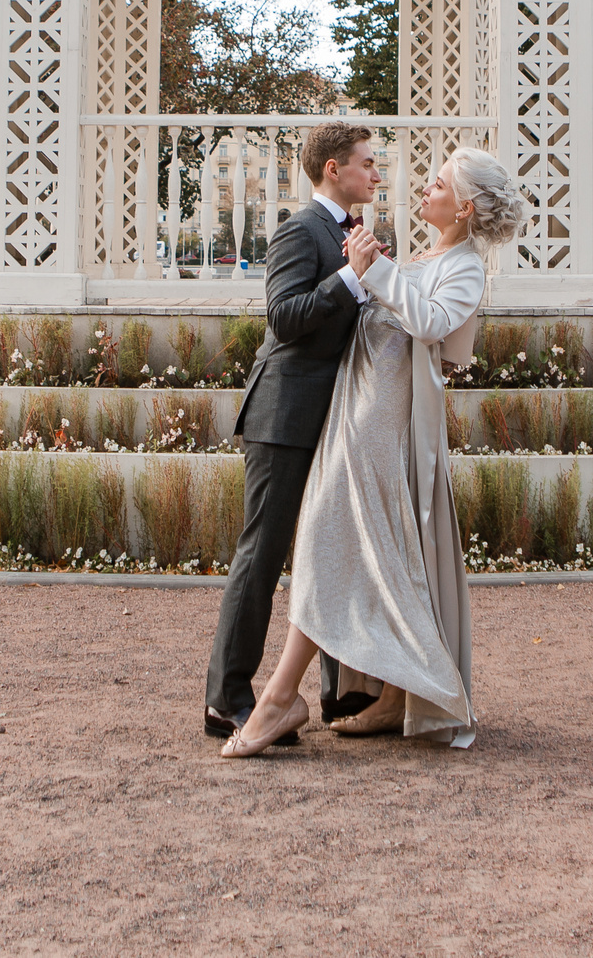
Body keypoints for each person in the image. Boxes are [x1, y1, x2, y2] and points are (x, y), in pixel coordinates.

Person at [221, 145, 523, 756]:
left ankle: (282, 696)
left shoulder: (464, 267)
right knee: (334, 541)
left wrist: (372, 272)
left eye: (437, 185)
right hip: (350, 411)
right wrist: (367, 272)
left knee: (329, 537)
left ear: (463, 208)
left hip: (381, 423)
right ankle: (388, 694)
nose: (422, 190)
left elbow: (432, 325)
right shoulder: (424, 256)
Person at [201, 122, 384, 745]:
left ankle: (339, 695)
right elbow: (283, 317)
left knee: (327, 552)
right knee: (263, 553)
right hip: (283, 416)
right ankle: (228, 700)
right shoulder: (299, 230)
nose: (375, 173)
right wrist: (350, 279)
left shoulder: (352, 235)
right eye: (366, 163)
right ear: (334, 169)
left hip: (334, 419)